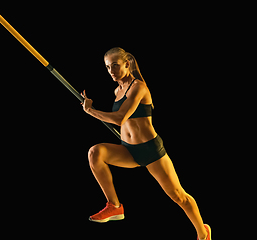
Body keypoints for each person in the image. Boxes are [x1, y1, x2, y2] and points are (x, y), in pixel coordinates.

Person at [80, 47, 211, 240]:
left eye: (115, 65)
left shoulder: (138, 87)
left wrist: (90, 111)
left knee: (178, 196)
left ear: (127, 64)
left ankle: (203, 233)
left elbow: (120, 118)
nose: (111, 71)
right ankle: (114, 206)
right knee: (95, 153)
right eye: (108, 67)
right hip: (128, 150)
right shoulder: (117, 90)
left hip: (150, 151)